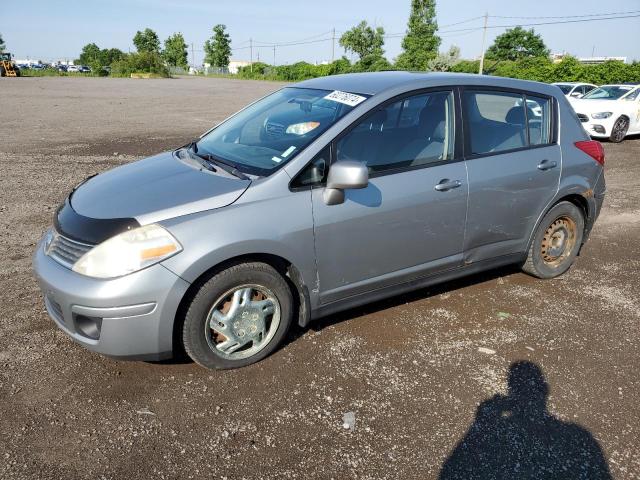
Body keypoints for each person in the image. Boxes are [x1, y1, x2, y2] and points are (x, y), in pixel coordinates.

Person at [439, 361, 611, 480]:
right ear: (544, 391)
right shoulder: (579, 436)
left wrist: (483, 421)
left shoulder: (578, 436)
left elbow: (451, 471)